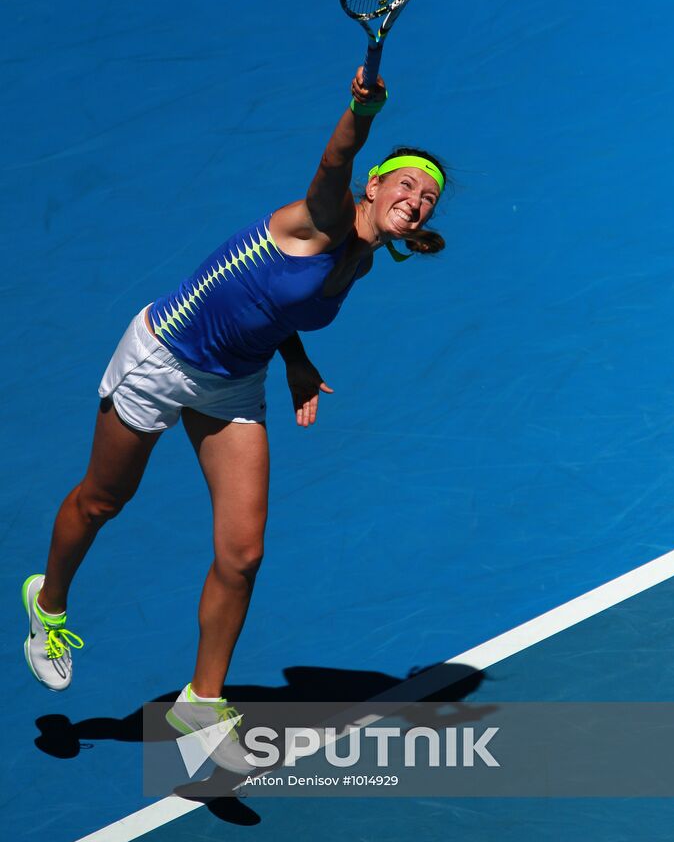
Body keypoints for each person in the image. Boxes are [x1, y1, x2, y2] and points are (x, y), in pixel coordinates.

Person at [22, 66, 446, 765]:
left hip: (233, 383)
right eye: (406, 183)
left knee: (243, 554)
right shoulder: (328, 214)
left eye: (428, 198)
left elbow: (270, 304)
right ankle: (49, 601)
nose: (417, 200)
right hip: (162, 359)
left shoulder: (361, 263)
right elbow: (334, 158)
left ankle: (201, 700)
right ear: (374, 187)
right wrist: (361, 112)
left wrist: (296, 361)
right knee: (102, 501)